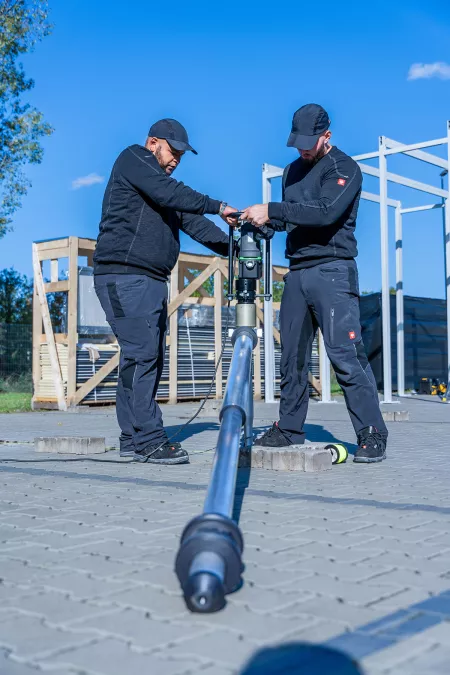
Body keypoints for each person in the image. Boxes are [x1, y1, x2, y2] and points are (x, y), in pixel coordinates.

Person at [241, 104, 388, 463]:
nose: (303, 150)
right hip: (297, 273)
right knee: (291, 356)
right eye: (298, 143)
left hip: (333, 271)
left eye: (310, 142)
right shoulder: (292, 171)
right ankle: (290, 428)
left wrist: (272, 209)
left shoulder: (344, 168)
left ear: (327, 135)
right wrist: (256, 221)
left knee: (345, 355)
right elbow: (291, 221)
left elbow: (324, 213)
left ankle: (372, 433)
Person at [94, 118, 237, 465]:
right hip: (125, 277)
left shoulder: (161, 187)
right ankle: (150, 440)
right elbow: (174, 194)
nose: (175, 160)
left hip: (149, 280)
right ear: (152, 142)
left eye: (181, 156)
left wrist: (236, 244)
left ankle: (132, 436)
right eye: (172, 152)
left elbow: (195, 223)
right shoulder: (133, 159)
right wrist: (219, 205)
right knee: (143, 355)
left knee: (141, 358)